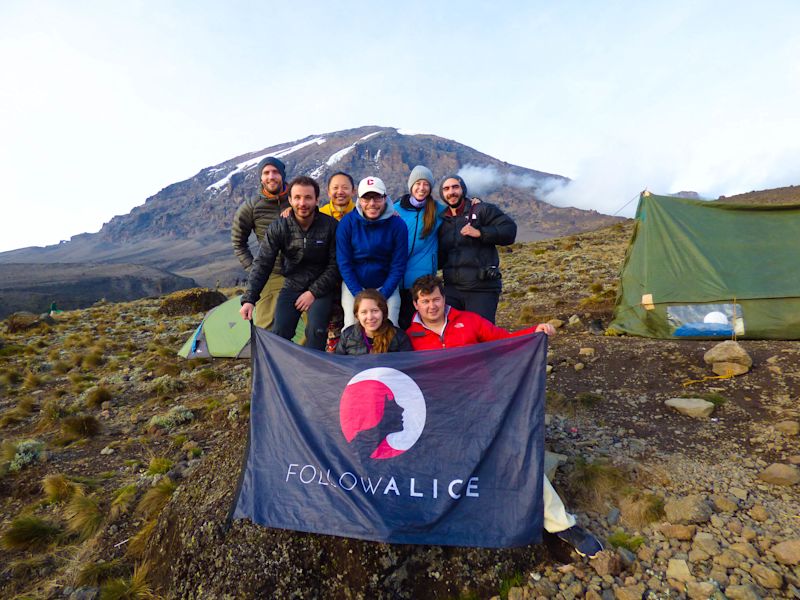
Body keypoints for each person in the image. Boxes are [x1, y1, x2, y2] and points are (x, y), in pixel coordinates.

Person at [406, 275, 603, 559]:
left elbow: (504, 339)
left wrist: (536, 331)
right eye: (425, 301)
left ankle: (563, 526)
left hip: (483, 407)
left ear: (444, 297)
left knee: (516, 455)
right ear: (416, 304)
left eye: (436, 299)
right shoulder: (409, 336)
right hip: (440, 415)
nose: (432, 306)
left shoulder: (469, 321)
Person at [239, 176, 339, 351]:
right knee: (280, 333)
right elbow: (263, 263)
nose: (303, 203)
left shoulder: (330, 226)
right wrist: (249, 299)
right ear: (290, 200)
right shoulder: (279, 227)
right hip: (292, 285)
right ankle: (284, 373)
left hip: (320, 288)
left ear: (317, 199)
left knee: (317, 331)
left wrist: (313, 292)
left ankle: (312, 373)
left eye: (308, 197)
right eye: (298, 197)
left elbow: (335, 265)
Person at [438, 174, 517, 323]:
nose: (451, 192)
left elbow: (509, 231)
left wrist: (481, 232)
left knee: (482, 336)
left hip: (481, 289)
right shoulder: (442, 220)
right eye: (446, 189)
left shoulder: (482, 210)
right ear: (442, 194)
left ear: (463, 189)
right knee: (455, 337)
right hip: (452, 290)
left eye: (455, 187)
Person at [336, 176, 408, 328]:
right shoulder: (347, 223)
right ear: (359, 200)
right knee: (351, 326)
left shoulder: (397, 225)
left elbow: (398, 265)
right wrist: (360, 295)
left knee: (390, 325)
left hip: (386, 285)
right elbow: (344, 263)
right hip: (354, 285)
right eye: (366, 199)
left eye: (377, 198)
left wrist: (382, 295)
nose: (371, 204)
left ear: (385, 198)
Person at [231, 157, 291, 330]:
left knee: (313, 325)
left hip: (300, 271)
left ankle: (302, 357)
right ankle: (266, 358)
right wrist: (253, 269)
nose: (271, 177)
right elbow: (238, 242)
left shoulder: (297, 198)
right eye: (266, 173)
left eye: (275, 172)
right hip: (271, 273)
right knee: (266, 326)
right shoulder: (250, 207)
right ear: (260, 177)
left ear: (282, 174)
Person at [395, 165, 444, 330]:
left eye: (426, 184)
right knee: (399, 326)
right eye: (418, 183)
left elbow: (458, 209)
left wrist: (474, 202)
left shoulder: (437, 210)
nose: (422, 188)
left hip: (421, 282)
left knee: (420, 327)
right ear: (411, 186)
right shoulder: (395, 210)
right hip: (397, 280)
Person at [319, 172, 357, 351]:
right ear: (328, 192)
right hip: (327, 278)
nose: (340, 192)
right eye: (335, 188)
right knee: (328, 327)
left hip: (353, 277)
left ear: (353, 191)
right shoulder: (319, 215)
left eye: (345, 187)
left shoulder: (361, 212)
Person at [335, 289, 413, 355]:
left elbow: (407, 367)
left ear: (383, 312)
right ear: (357, 315)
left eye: (375, 311)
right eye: (364, 312)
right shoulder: (347, 336)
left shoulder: (399, 337)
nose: (370, 317)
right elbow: (338, 367)